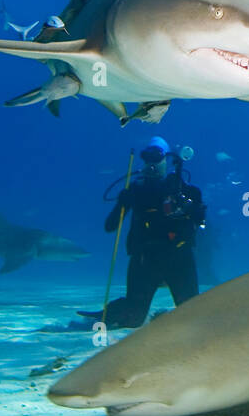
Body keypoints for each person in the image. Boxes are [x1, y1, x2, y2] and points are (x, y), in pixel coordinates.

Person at [81, 137, 206, 328]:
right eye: (148, 159)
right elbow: (110, 227)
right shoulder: (135, 190)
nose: (152, 164)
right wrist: (121, 203)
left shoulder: (185, 190)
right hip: (145, 259)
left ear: (168, 160)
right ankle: (108, 314)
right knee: (134, 320)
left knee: (193, 315)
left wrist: (189, 206)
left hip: (179, 258)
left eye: (157, 159)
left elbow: (200, 222)